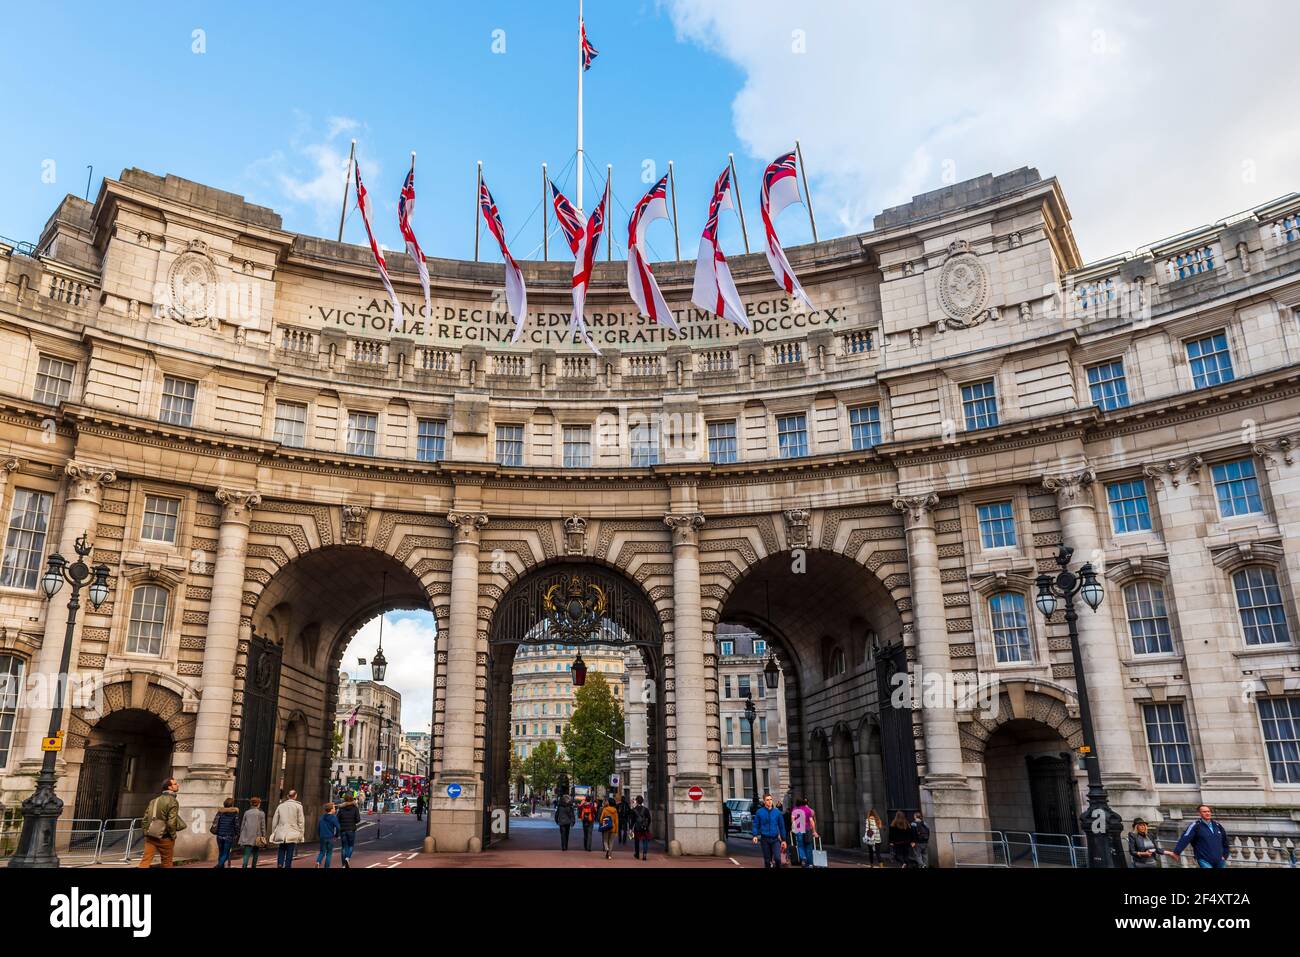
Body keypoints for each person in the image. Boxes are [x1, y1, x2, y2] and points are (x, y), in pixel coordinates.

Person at [138, 777, 184, 868]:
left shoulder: (154, 800)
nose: (177, 785)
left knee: (145, 862)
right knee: (167, 862)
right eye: (175, 784)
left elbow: (145, 819)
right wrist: (173, 836)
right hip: (165, 837)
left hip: (151, 835)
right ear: (169, 788)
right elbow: (171, 822)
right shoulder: (173, 801)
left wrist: (146, 832)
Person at [270, 789, 306, 868]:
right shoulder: (298, 806)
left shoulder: (280, 806)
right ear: (295, 796)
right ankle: (287, 866)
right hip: (293, 832)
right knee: (290, 851)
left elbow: (275, 820)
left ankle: (279, 864)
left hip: (281, 832)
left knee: (281, 849)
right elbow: (301, 822)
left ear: (288, 796)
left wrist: (274, 832)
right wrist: (301, 834)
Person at [751, 792, 788, 868]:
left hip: (775, 840)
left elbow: (782, 827)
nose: (770, 801)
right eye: (767, 800)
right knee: (767, 861)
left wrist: (784, 840)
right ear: (764, 801)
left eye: (771, 799)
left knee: (778, 859)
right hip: (765, 839)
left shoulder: (777, 812)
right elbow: (755, 825)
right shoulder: (759, 812)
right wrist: (755, 835)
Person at [212, 797, 241, 868]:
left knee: (221, 852)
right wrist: (238, 833)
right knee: (226, 853)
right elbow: (236, 825)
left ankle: (221, 866)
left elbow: (215, 822)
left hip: (219, 835)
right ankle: (219, 865)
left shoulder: (220, 812)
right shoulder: (234, 813)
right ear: (232, 804)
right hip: (229, 835)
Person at [238, 796, 266, 869]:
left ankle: (244, 865)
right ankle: (254, 866)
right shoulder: (261, 813)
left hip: (247, 835)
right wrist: (264, 835)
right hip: (257, 836)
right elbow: (263, 826)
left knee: (246, 853)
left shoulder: (246, 812)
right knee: (256, 853)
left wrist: (241, 834)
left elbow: (243, 824)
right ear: (258, 804)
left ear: (251, 803)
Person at [791, 797, 817, 868]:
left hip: (799, 830)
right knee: (809, 846)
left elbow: (793, 820)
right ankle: (810, 863)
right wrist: (814, 831)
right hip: (807, 829)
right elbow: (811, 821)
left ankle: (803, 858)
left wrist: (793, 828)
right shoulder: (807, 810)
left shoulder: (795, 809)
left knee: (800, 845)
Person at [336, 793, 361, 868]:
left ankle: (343, 865)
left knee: (344, 847)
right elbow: (358, 820)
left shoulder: (341, 808)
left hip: (343, 829)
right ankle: (347, 858)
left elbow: (337, 819)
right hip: (351, 829)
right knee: (351, 846)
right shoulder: (355, 808)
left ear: (345, 799)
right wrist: (353, 821)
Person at [316, 802, 340, 868]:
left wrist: (319, 835)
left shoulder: (321, 817)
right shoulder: (333, 817)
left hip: (322, 837)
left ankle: (318, 862)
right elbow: (338, 828)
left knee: (322, 852)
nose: (335, 809)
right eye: (334, 807)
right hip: (330, 837)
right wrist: (336, 835)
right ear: (331, 809)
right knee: (329, 853)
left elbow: (318, 827)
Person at [630, 796, 652, 860]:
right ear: (642, 801)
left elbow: (633, 820)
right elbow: (649, 819)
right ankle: (644, 855)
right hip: (645, 828)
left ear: (636, 801)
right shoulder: (646, 809)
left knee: (637, 841)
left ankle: (637, 854)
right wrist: (647, 826)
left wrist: (631, 828)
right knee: (645, 841)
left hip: (637, 828)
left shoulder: (634, 810)